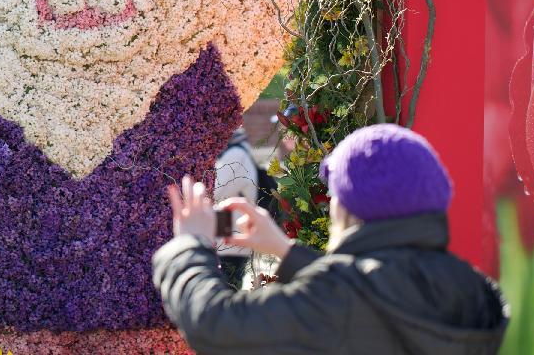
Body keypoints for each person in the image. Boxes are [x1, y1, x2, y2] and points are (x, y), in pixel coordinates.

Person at [153, 124, 509, 354]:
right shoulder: (471, 289)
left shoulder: (340, 302)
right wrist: (286, 252)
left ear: (351, 207)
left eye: (335, 195)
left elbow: (215, 325)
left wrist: (189, 245)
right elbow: (371, 300)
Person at [214, 127, 258, 289]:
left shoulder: (235, 154)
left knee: (226, 291)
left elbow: (215, 189)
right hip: (230, 236)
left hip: (230, 239)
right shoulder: (239, 152)